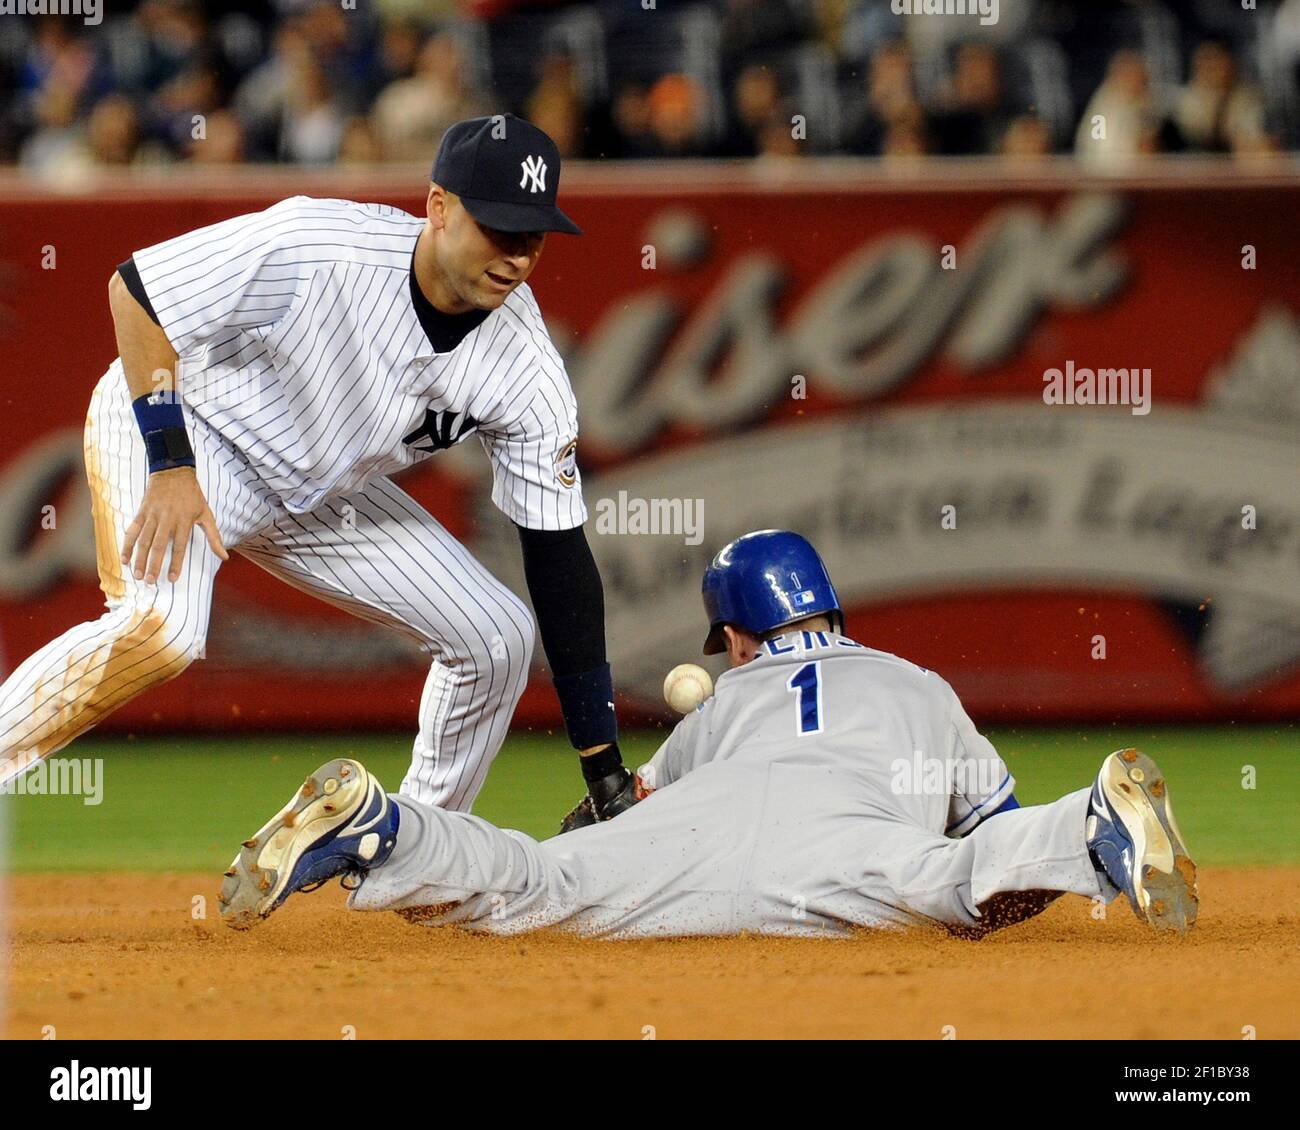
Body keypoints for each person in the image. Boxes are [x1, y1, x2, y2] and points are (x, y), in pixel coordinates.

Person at [0, 114, 642, 827]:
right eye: (499, 228)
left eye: (533, 236)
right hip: (191, 433)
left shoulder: (526, 369)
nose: (517, 255)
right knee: (164, 629)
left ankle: (407, 852)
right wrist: (172, 464)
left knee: (496, 639)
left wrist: (602, 763)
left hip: (318, 494)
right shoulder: (319, 246)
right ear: (438, 206)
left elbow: (558, 559)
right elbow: (137, 290)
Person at [218, 530, 1200, 939]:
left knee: (534, 880)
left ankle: (385, 825)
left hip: (706, 811)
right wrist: (1002, 870)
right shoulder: (918, 686)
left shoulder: (719, 705)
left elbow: (591, 825)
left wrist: (601, 821)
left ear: (734, 635)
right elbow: (990, 827)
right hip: (856, 833)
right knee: (958, 880)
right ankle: (1093, 819)